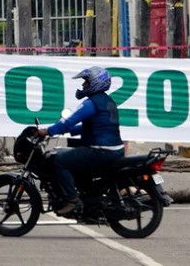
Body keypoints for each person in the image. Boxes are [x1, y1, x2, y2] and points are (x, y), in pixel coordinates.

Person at [36, 66, 124, 216]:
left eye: (86, 82)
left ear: (96, 83)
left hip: (101, 151)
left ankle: (72, 200)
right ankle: (87, 196)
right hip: (115, 150)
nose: (83, 85)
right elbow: (92, 127)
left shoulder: (91, 103)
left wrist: (47, 131)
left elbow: (69, 121)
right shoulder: (108, 101)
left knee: (59, 160)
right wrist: (68, 131)